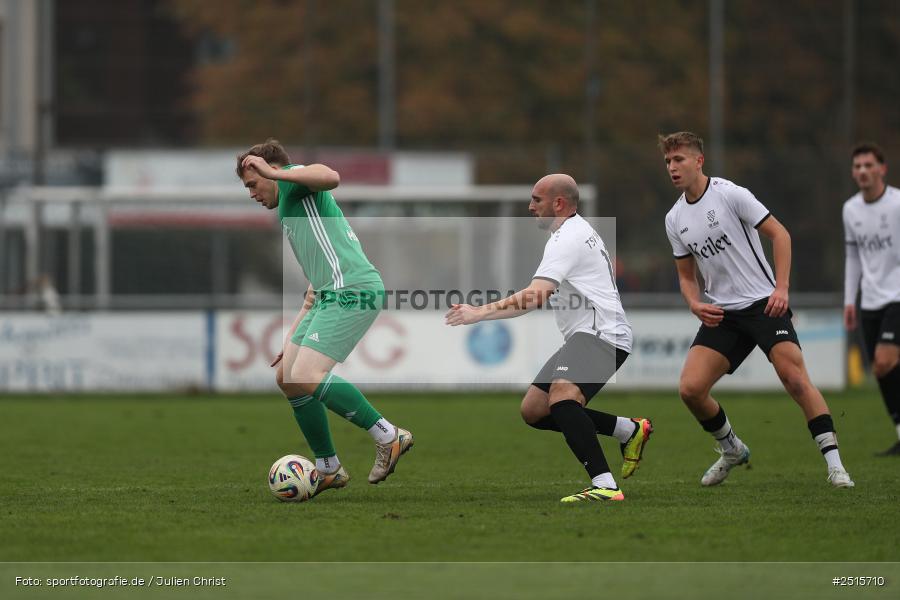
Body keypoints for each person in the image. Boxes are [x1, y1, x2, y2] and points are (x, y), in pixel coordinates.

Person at [659, 131, 854, 488]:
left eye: (679, 160)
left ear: (698, 161)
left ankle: (835, 465)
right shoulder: (674, 220)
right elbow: (686, 276)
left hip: (764, 304)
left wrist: (781, 288)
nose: (672, 167)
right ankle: (731, 448)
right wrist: (693, 303)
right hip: (722, 314)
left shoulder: (730, 194)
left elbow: (780, 234)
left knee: (794, 378)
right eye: (668, 162)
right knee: (690, 389)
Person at [445, 174, 652, 503]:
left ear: (558, 203)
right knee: (536, 410)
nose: (530, 206)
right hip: (592, 334)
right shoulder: (574, 231)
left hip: (602, 334)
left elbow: (535, 296)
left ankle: (606, 486)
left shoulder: (566, 238)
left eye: (536, 199)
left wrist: (478, 313)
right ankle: (628, 430)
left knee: (562, 398)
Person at [237, 138, 413, 496]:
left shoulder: (292, 180)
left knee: (307, 374)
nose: (252, 194)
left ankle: (388, 434)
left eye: (252, 184)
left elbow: (330, 176)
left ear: (270, 171)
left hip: (352, 290)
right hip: (328, 295)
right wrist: (291, 340)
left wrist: (275, 171)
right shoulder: (289, 204)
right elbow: (313, 289)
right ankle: (328, 467)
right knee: (288, 376)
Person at [843, 142, 900, 456]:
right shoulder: (851, 209)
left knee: (884, 360)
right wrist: (850, 300)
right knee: (881, 369)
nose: (862, 171)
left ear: (882, 169)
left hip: (898, 296)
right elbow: (852, 256)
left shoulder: (896, 204)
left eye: (868, 165)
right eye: (857, 166)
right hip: (870, 301)